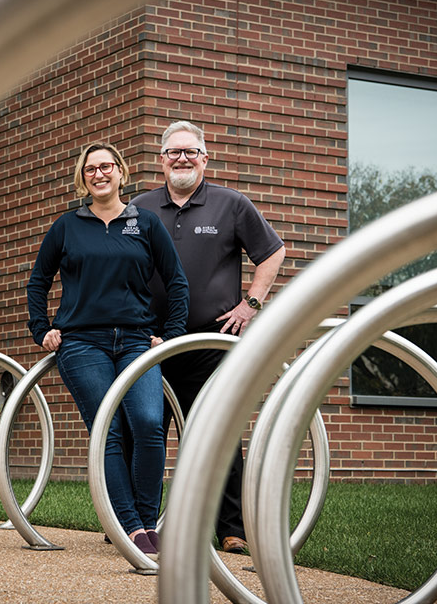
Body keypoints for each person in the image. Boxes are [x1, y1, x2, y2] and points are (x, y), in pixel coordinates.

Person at [27, 141, 189, 557]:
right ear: (83, 178)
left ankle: (145, 522)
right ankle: (134, 529)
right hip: (82, 343)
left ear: (122, 172)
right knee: (109, 431)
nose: (99, 174)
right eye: (90, 170)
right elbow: (38, 281)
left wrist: (169, 334)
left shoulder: (146, 223)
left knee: (151, 423)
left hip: (136, 339)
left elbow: (176, 282)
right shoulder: (67, 226)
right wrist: (41, 328)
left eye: (106, 167)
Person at [132, 121, 285, 554]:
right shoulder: (139, 208)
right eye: (173, 152)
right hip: (151, 344)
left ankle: (231, 529)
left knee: (218, 434)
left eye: (190, 151)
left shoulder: (231, 204)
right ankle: (137, 527)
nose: (182, 158)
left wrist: (250, 305)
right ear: (161, 160)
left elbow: (273, 252)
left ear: (205, 157)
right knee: (144, 434)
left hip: (211, 343)